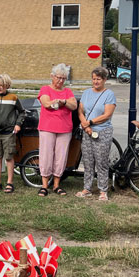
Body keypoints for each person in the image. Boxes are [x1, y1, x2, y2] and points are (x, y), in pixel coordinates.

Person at [76, 67, 117, 201]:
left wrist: (90, 122)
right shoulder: (87, 93)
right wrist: (85, 125)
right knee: (88, 161)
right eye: (94, 79)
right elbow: (80, 111)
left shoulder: (109, 94)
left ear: (104, 80)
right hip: (87, 132)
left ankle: (103, 190)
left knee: (101, 162)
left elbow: (107, 114)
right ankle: (87, 188)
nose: (96, 81)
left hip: (102, 131)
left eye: (98, 79)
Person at [37, 63, 77, 196]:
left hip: (65, 128)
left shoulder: (68, 92)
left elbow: (74, 105)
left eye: (63, 78)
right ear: (52, 76)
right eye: (58, 77)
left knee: (61, 156)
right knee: (46, 155)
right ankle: (44, 185)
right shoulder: (45, 89)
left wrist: (64, 102)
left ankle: (56, 185)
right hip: (47, 127)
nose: (60, 81)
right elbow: (46, 103)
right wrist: (57, 102)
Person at [0, 74, 24, 194]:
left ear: (7, 85)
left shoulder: (13, 98)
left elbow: (22, 112)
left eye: (1, 85)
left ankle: (10, 182)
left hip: (9, 133)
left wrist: (18, 124)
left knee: (9, 157)